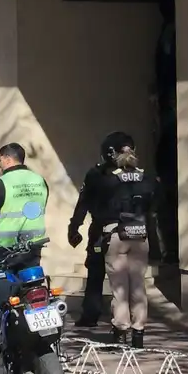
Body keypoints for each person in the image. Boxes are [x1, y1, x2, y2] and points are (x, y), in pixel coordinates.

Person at [67, 131, 135, 328]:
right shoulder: (137, 175)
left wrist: (74, 228)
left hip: (102, 231)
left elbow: (83, 203)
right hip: (130, 231)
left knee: (96, 274)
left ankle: (91, 314)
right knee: (127, 278)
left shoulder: (97, 174)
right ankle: (129, 319)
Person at [102, 142, 157, 347]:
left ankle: (120, 328)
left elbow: (100, 207)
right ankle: (138, 333)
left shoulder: (110, 181)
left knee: (119, 287)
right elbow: (154, 206)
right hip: (140, 234)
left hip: (116, 234)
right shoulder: (147, 180)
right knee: (137, 285)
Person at [0, 143, 49, 247]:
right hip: (34, 246)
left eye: (0, 160)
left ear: (8, 160)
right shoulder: (40, 181)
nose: (0, 165)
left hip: (5, 250)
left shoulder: (0, 184)